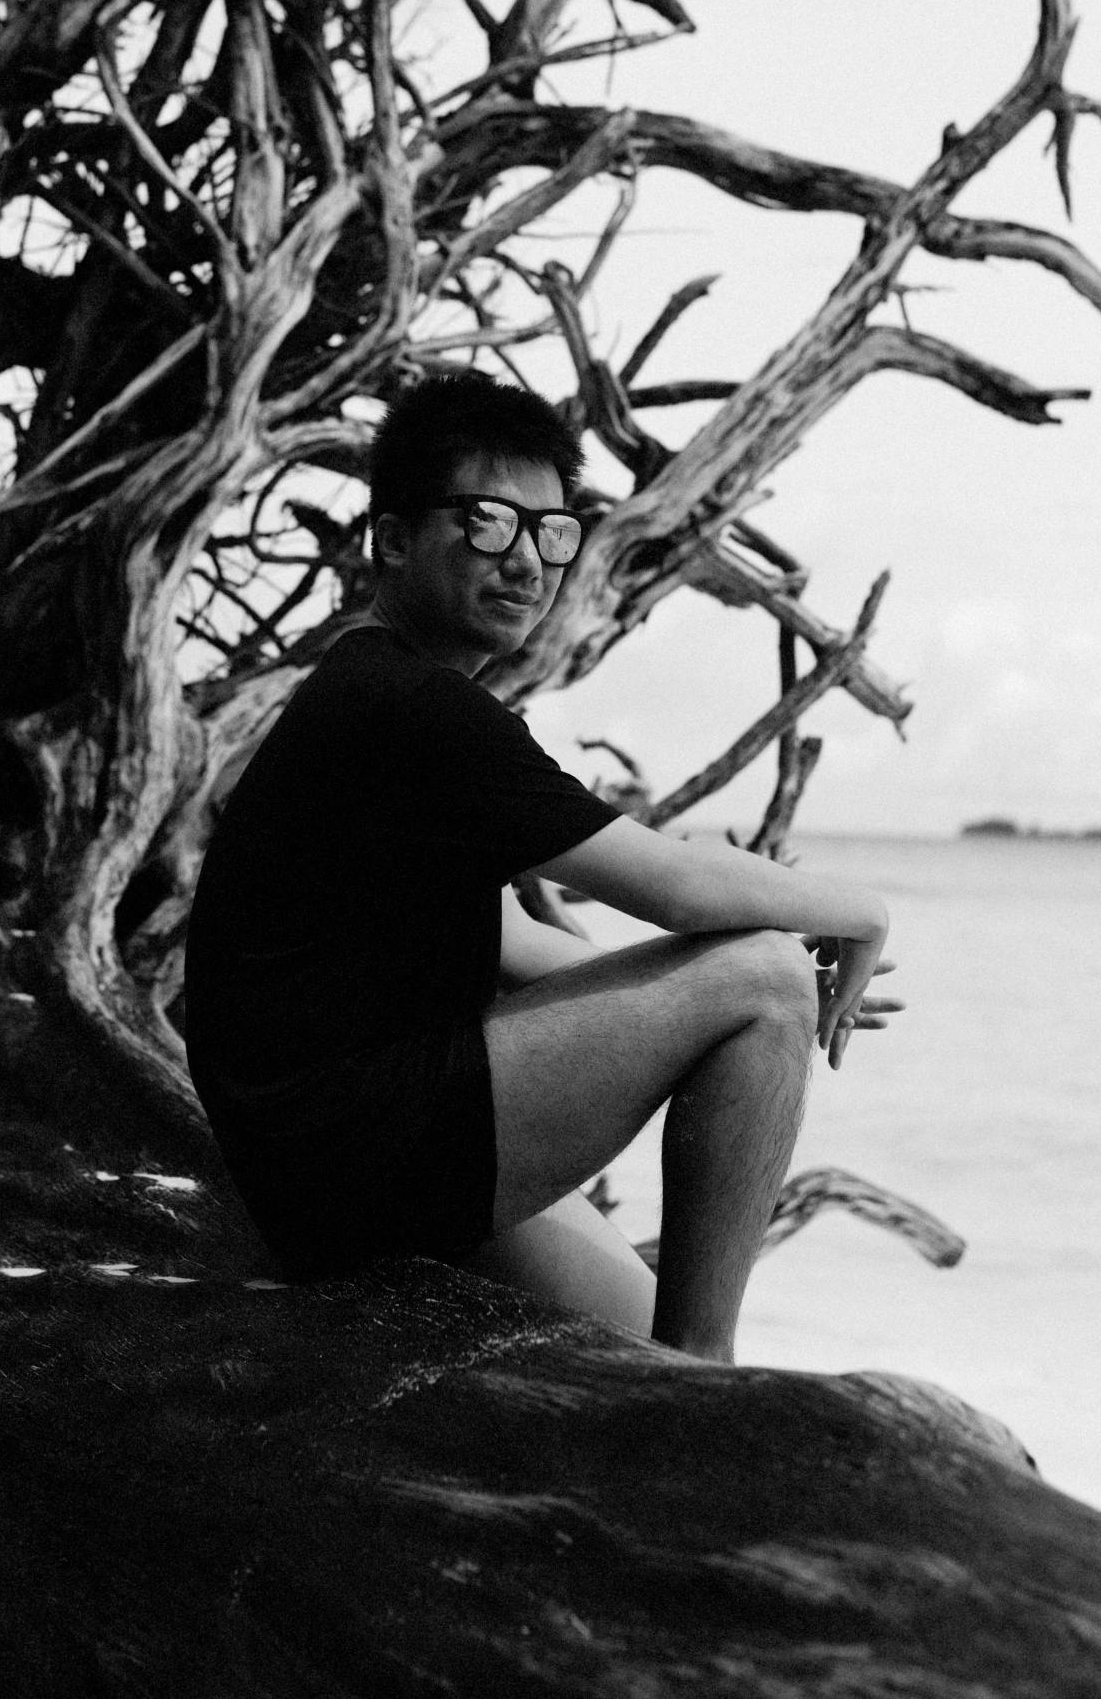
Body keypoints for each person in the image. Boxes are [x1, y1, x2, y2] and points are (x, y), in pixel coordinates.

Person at [184, 372, 895, 1363]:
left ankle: (682, 1384)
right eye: (486, 522)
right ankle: (707, 1396)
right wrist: (853, 914)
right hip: (351, 1161)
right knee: (765, 977)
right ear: (390, 538)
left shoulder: (375, 692)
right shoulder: (412, 705)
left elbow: (515, 944)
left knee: (635, 1333)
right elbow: (670, 882)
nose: (526, 558)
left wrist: (695, 988)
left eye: (553, 531)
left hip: (319, 1169)